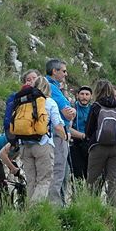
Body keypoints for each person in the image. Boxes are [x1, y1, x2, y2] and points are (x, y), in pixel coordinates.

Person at [84, 80, 116, 207]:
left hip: (98, 146)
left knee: (93, 180)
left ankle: (91, 208)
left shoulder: (96, 106)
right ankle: (113, 211)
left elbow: (88, 129)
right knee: (114, 181)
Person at [19, 76, 65, 205]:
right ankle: (34, 211)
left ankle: (28, 212)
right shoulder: (49, 102)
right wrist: (65, 137)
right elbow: (57, 126)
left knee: (31, 181)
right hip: (43, 144)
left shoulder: (24, 101)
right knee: (44, 180)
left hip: (24, 144)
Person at [45, 59, 76, 206]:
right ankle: (55, 207)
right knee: (58, 171)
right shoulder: (53, 88)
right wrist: (73, 113)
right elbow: (68, 114)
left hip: (42, 136)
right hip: (57, 135)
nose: (66, 74)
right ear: (54, 71)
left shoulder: (44, 87)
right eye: (63, 71)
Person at [68, 85, 93, 180]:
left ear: (91, 96)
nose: (84, 96)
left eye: (87, 94)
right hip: (75, 144)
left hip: (90, 144)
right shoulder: (72, 108)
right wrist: (82, 135)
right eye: (82, 94)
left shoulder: (93, 109)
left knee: (89, 173)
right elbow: (68, 128)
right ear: (77, 95)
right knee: (77, 174)